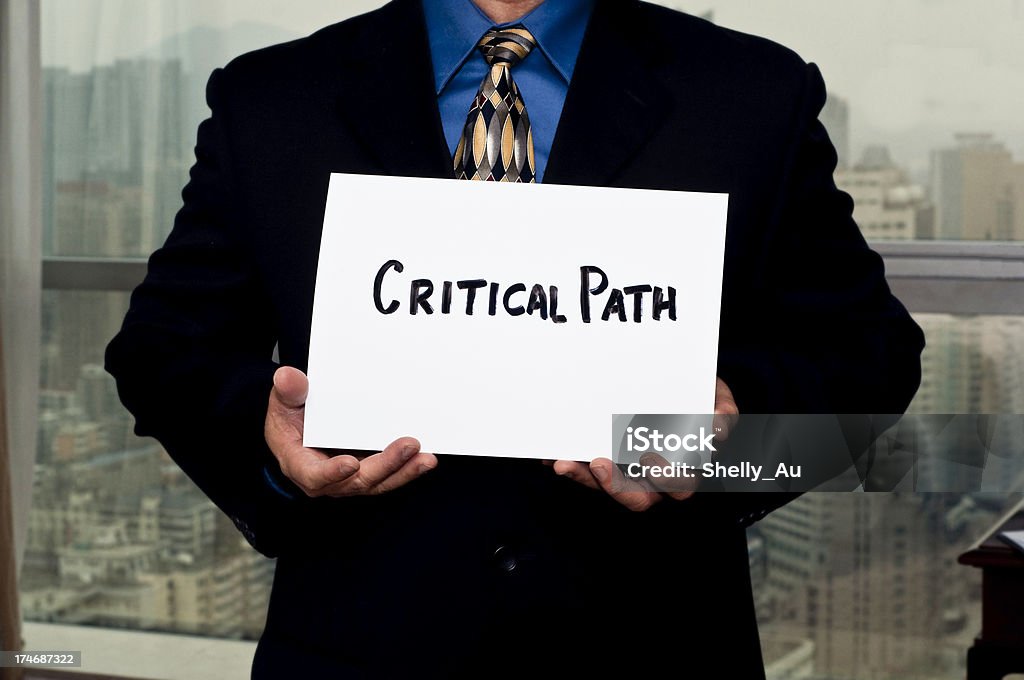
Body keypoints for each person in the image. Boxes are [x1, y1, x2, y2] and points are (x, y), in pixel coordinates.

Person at [105, 0, 925, 676]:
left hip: (656, 654)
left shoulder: (751, 93)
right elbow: (163, 348)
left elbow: (873, 360)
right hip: (357, 650)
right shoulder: (274, 96)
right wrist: (266, 430)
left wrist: (730, 432)